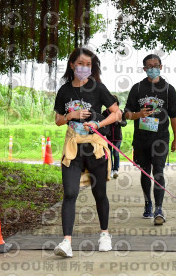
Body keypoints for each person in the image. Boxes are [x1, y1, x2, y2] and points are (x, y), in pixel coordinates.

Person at [53, 48, 121, 258]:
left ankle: (104, 235)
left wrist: (98, 124)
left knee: (99, 194)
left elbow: (117, 113)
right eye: (80, 64)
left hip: (95, 148)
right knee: (70, 193)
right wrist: (70, 115)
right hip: (73, 148)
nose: (84, 68)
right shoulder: (64, 90)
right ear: (72, 65)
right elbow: (58, 120)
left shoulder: (98, 87)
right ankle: (66, 242)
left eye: (88, 65)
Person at [124, 54, 176, 226]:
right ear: (144, 69)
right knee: (145, 172)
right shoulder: (137, 88)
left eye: (156, 65)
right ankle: (148, 203)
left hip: (161, 138)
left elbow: (174, 115)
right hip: (141, 139)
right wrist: (138, 114)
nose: (153, 68)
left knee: (158, 171)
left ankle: (159, 209)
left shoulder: (169, 90)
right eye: (149, 66)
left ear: (161, 67)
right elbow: (126, 114)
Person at [103, 95, 127, 178]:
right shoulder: (105, 113)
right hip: (108, 137)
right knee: (109, 153)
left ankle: (115, 170)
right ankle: (110, 169)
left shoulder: (121, 112)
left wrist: (119, 121)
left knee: (116, 153)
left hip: (117, 137)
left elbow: (124, 123)